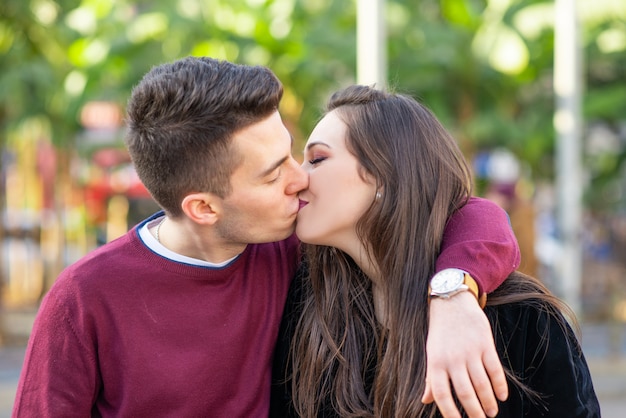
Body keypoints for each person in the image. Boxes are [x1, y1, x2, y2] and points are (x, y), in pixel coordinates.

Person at [13, 57, 519, 417]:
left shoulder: (293, 249)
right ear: (204, 208)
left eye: (294, 153)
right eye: (273, 173)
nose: (300, 178)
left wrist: (453, 295)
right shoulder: (83, 299)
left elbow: (469, 214)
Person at [271, 85, 600, 417]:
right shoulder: (310, 308)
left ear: (383, 176)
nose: (299, 177)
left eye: (316, 159)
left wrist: (453, 294)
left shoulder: (521, 320)